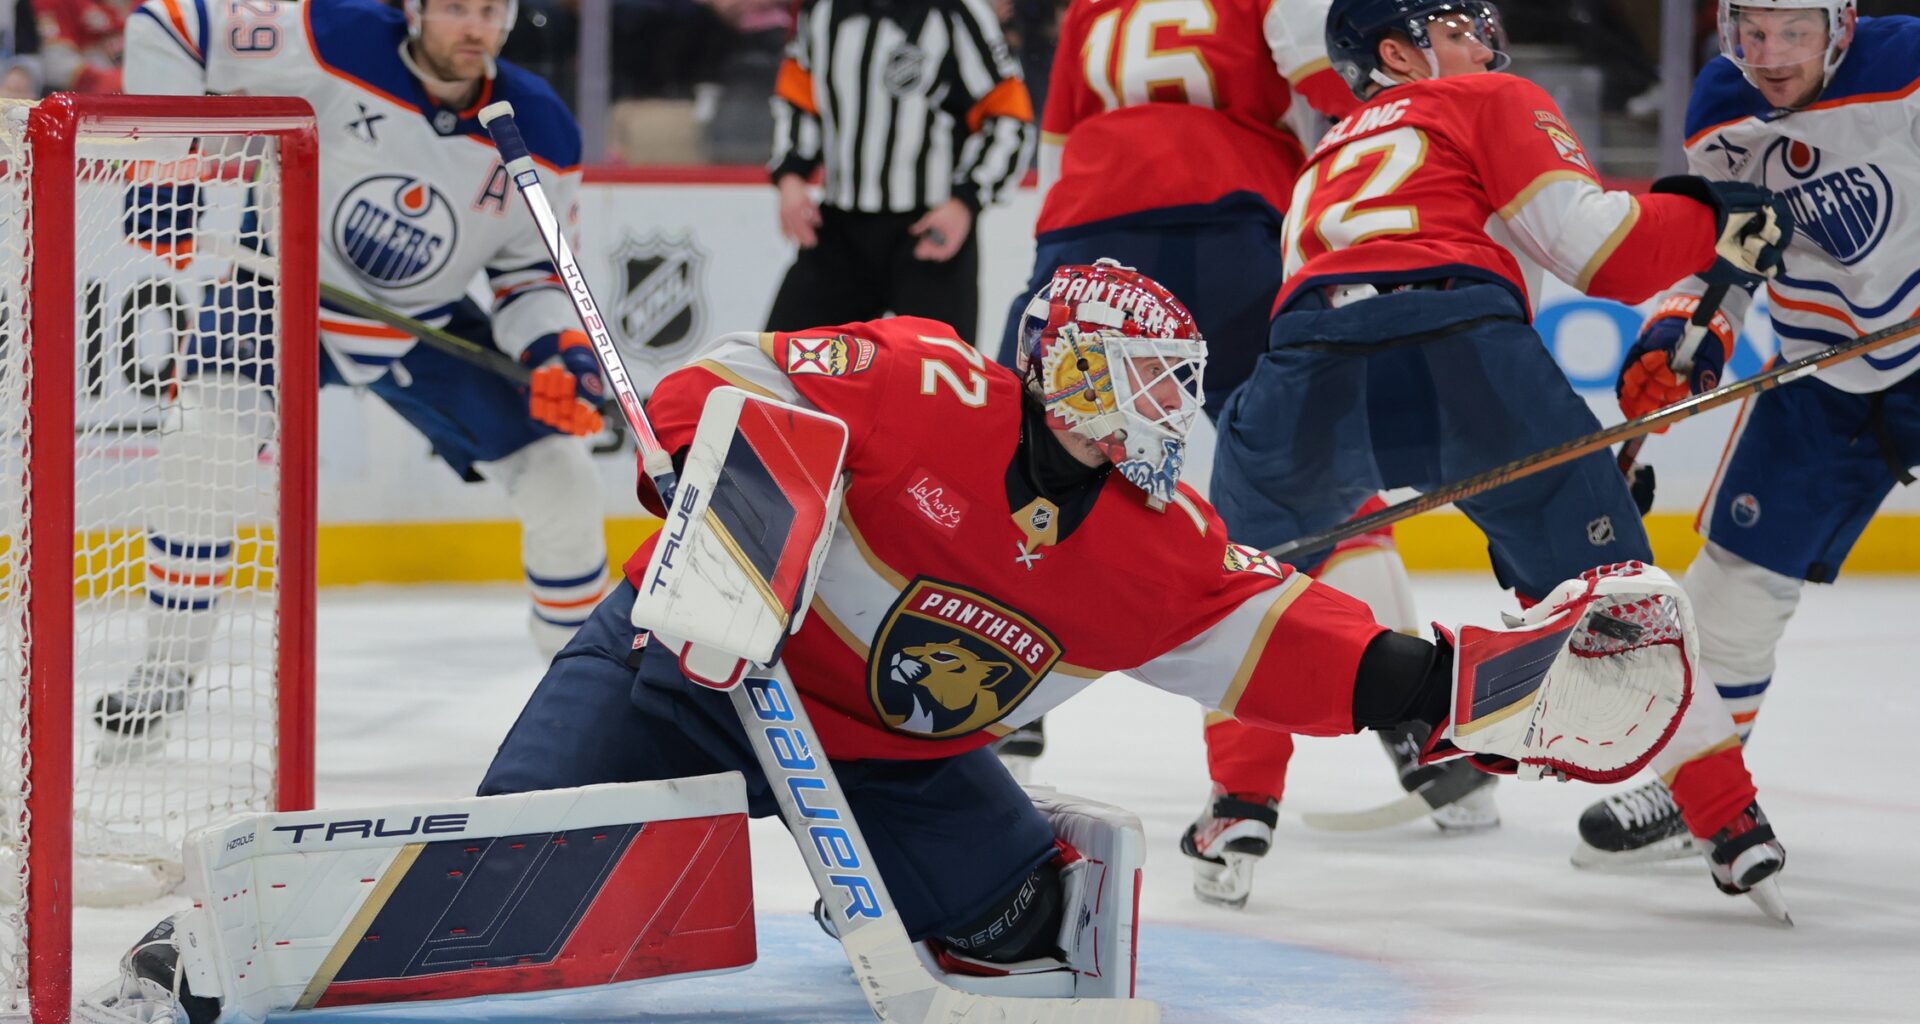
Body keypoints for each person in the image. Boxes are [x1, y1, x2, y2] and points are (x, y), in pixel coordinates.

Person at [470, 259, 1700, 986]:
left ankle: (881, 884)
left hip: (893, 762)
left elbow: (1289, 641)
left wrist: (1456, 691)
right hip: (685, 677)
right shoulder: (920, 379)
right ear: (1072, 367)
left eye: (1179, 385)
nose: (1171, 406)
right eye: (1148, 377)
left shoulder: (1157, 548)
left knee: (1025, 939)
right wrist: (701, 462)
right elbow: (740, 374)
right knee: (504, 888)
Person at [1210, 0, 1797, 913]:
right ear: (1397, 55)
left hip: (1300, 375)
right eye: (1452, 27)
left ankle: (1238, 805)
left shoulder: (1325, 156)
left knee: (1241, 589)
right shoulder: (1482, 99)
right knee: (1615, 597)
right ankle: (1729, 824)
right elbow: (1602, 248)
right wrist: (1710, 214)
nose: (1481, 41)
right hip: (1460, 357)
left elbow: (1372, 272)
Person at [986, 0, 1497, 903]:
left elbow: (1058, 149)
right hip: (1233, 226)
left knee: (1020, 464)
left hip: (1088, 238)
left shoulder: (1091, 11)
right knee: (1315, 476)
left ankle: (1002, 704)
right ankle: (1420, 726)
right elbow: (1348, 101)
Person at [105, 0, 611, 735]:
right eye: (457, 10)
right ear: (414, 9)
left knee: (562, 476)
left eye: (492, 12)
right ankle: (166, 670)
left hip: (420, 327)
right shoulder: (327, 35)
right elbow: (172, 23)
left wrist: (559, 355)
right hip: (275, 290)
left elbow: (530, 278)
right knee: (200, 443)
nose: (475, 29)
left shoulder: (542, 126)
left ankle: (585, 705)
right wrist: (162, 172)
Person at [1574, 0, 1920, 870]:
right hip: (1823, 381)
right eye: (1750, 33)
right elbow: (1729, 250)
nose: (1768, 55)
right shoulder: (1723, 108)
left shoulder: (1909, 64)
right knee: (1731, 587)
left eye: (1793, 33)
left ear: (1839, 28)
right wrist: (1693, 327)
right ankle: (1695, 777)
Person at [765, 0, 1035, 342]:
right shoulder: (822, 10)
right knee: (779, 366)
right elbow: (797, 99)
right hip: (837, 231)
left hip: (930, 231)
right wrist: (790, 179)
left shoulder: (957, 11)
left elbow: (1010, 114)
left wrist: (965, 202)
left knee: (940, 382)